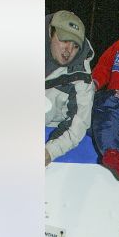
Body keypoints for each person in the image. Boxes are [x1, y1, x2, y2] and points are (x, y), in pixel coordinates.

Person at [46, 11, 96, 165]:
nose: (68, 50)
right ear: (50, 32)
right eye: (64, 40)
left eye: (75, 46)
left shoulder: (82, 78)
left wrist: (50, 151)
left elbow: (79, 123)